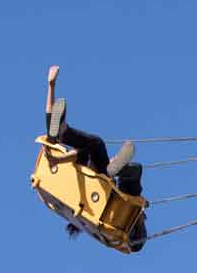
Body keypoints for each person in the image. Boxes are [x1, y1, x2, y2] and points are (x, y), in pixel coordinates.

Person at [43, 65, 147, 251]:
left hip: (104, 186)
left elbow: (136, 242)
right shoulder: (84, 212)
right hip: (99, 180)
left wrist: (52, 85)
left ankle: (63, 134)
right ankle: (64, 135)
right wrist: (51, 85)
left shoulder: (120, 214)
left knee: (102, 151)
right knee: (93, 151)